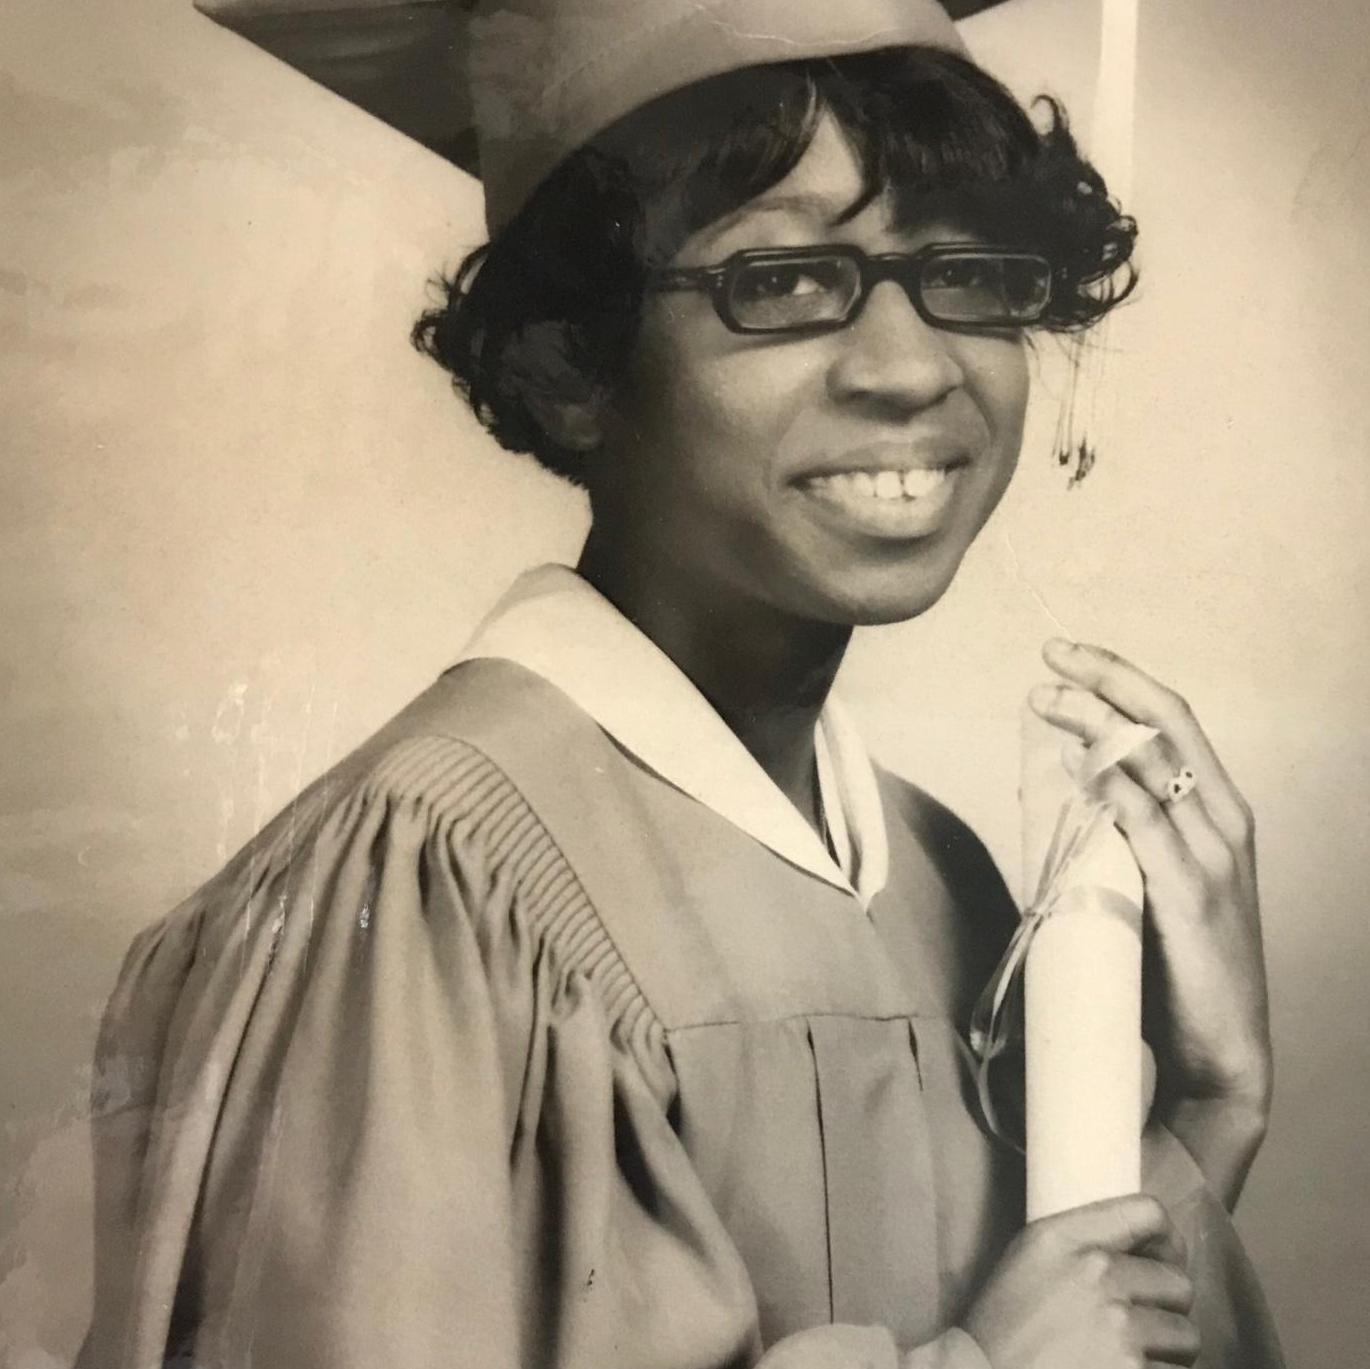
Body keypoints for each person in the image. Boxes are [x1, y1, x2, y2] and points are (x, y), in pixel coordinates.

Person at [78, 1, 1284, 1366]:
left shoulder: (942, 879)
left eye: (971, 270)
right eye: (775, 280)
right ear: (567, 365)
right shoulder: (426, 887)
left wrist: (1203, 1108)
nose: (908, 366)